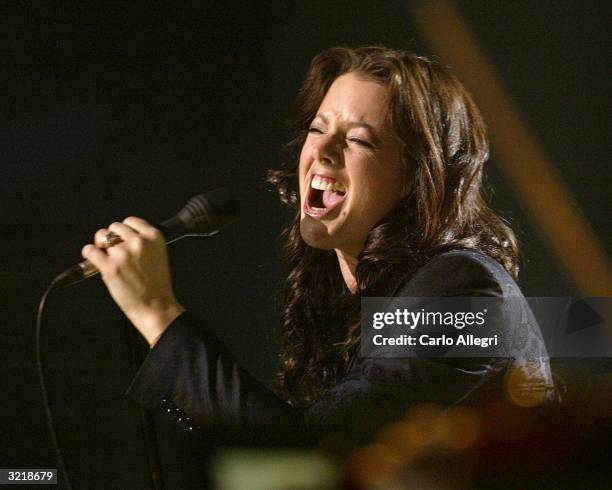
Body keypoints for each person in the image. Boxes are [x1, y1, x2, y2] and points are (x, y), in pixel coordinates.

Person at [81, 46, 554, 442]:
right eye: (317, 128)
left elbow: (311, 453)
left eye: (361, 141)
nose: (322, 151)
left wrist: (156, 313)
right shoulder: (345, 293)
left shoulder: (464, 293)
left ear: (417, 178)